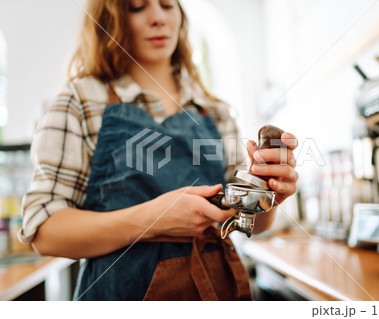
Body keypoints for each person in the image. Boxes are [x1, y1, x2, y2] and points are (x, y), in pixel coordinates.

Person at [19, 0, 299, 301]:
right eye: (137, 7)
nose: (157, 18)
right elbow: (44, 232)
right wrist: (152, 220)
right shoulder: (80, 102)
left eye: (167, 5)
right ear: (110, 19)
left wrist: (268, 195)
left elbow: (249, 223)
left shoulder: (215, 112)